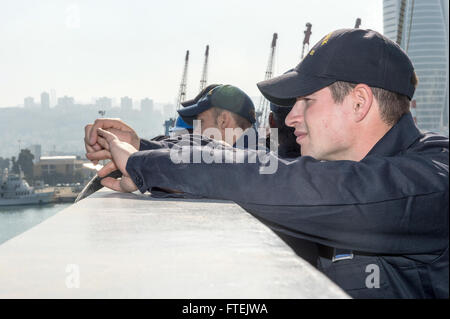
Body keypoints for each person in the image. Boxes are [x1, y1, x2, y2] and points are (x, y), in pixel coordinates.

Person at [92, 28, 449, 298]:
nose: (291, 118)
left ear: (359, 103)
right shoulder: (345, 166)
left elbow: (302, 186)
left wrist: (146, 165)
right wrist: (142, 148)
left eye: (306, 100)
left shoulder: (436, 179)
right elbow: (255, 163)